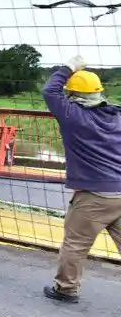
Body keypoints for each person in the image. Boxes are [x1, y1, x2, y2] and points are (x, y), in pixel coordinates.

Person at [41, 56, 121, 303]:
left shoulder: (72, 115)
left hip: (93, 195)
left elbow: (49, 90)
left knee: (75, 244)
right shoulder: (117, 115)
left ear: (73, 94)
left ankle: (66, 289)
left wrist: (68, 67)